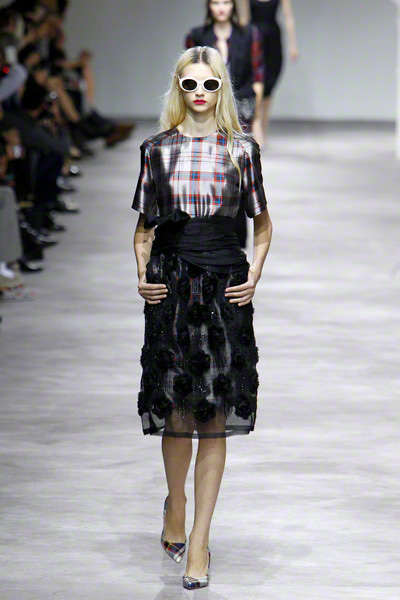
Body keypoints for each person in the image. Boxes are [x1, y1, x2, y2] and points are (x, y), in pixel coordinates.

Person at [132, 46, 273, 589]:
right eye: (189, 84)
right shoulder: (156, 151)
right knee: (176, 411)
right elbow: (144, 228)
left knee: (213, 417)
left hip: (224, 290)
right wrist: (141, 274)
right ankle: (176, 502)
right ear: (178, 88)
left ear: (221, 90)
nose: (199, 94)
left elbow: (262, 225)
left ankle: (200, 541)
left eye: (209, 85)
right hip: (170, 289)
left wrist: (254, 274)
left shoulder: (242, 151)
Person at [185, 0, 264, 248]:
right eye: (216, 2)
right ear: (208, 6)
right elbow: (187, 77)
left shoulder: (249, 35)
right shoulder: (197, 36)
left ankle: (235, 241)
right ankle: (206, 235)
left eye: (226, 2)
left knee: (236, 175)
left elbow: (257, 76)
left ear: (233, 6)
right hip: (205, 111)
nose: (221, 7)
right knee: (207, 172)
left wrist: (258, 120)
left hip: (241, 111)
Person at [238, 0, 299, 146]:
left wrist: (293, 44)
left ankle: (263, 130)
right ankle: (257, 127)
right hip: (254, 38)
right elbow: (244, 18)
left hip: (273, 40)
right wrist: (239, 43)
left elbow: (288, 17)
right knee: (256, 82)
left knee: (269, 84)